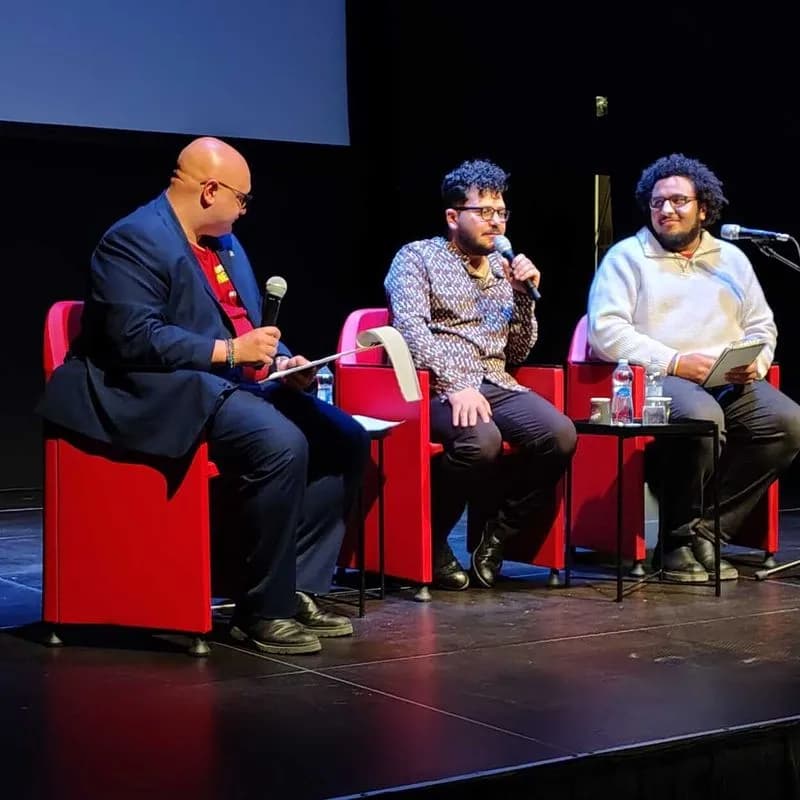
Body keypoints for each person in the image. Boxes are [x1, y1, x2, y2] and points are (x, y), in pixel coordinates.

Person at [39, 137, 370, 653]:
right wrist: (230, 352)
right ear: (211, 190)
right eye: (242, 198)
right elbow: (134, 338)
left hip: (221, 382)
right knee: (280, 443)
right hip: (150, 389)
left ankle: (298, 587)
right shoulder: (134, 240)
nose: (245, 210)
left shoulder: (225, 244)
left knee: (342, 436)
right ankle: (262, 610)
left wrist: (283, 362)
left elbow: (244, 322)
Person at [588, 152, 800, 582]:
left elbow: (761, 324)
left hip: (726, 377)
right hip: (657, 378)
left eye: (678, 201)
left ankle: (708, 532)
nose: (666, 210)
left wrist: (755, 363)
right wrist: (676, 361)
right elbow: (605, 332)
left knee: (785, 422)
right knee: (702, 416)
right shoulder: (627, 258)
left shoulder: (730, 259)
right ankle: (676, 541)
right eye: (657, 202)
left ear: (703, 208)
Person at [384, 159, 577, 590]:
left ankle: (498, 535)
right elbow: (410, 330)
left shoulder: (501, 270)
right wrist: (455, 384)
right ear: (453, 217)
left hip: (494, 380)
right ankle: (430, 540)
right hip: (430, 384)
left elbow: (517, 351)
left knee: (559, 435)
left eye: (501, 213)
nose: (496, 222)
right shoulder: (417, 257)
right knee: (481, 441)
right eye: (484, 212)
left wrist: (523, 297)